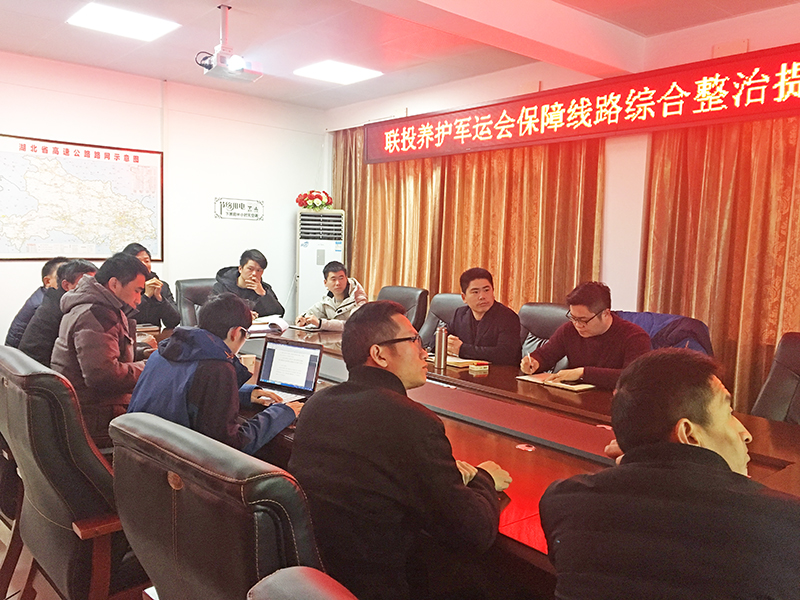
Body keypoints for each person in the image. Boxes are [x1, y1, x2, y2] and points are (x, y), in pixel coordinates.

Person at [289, 301, 511, 600]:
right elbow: (474, 533)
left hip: (317, 580)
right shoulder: (413, 422)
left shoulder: (317, 404)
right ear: (379, 354)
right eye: (414, 340)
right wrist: (484, 478)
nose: (424, 351)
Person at [539, 349, 800, 599]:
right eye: (729, 414)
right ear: (689, 434)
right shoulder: (786, 522)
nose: (746, 433)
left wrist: (637, 464)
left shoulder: (563, 501)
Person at [127, 293, 300, 454]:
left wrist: (245, 394)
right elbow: (231, 444)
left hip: (136, 453)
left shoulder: (165, 350)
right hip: (175, 466)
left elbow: (185, 391)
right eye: (245, 334)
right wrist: (281, 414)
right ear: (235, 332)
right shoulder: (216, 368)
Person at [51, 252, 150, 448]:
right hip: (96, 416)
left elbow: (108, 353)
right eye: (137, 291)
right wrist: (148, 367)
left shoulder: (95, 306)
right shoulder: (96, 314)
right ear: (114, 284)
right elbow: (104, 375)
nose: (139, 300)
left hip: (91, 407)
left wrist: (146, 354)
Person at [520, 281, 651, 388]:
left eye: (583, 320)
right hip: (573, 399)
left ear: (605, 314)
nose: (577, 325)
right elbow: (546, 355)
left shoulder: (634, 337)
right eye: (573, 317)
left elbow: (632, 377)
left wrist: (583, 373)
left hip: (613, 403)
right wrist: (534, 362)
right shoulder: (569, 330)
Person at [18, 259, 97, 367]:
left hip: (28, 365)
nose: (93, 288)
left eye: (95, 283)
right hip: (40, 370)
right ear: (66, 285)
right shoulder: (63, 308)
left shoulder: (53, 299)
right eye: (85, 283)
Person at [446, 267, 521, 365]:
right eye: (475, 292)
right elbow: (435, 341)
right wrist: (446, 343)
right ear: (464, 297)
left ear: (493, 291)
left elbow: (505, 354)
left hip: (498, 373)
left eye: (486, 290)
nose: (482, 296)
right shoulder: (460, 314)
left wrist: (462, 349)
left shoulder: (508, 317)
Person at [5, 256, 68, 348]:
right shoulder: (45, 305)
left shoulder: (45, 295)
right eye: (61, 278)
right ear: (47, 281)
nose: (67, 282)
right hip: (20, 355)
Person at [121, 242, 180, 330]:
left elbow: (174, 321)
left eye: (147, 261)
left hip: (155, 336)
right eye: (138, 261)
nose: (144, 265)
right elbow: (124, 318)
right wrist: (146, 296)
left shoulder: (160, 285)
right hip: (127, 335)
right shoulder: (122, 286)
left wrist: (160, 299)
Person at [295, 261, 367, 331]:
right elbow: (313, 311)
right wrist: (303, 318)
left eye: (341, 278)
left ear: (346, 279)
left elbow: (353, 325)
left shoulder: (358, 299)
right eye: (333, 279)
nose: (338, 283)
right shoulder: (328, 298)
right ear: (325, 282)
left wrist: (321, 323)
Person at [213, 249, 284, 317]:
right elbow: (215, 313)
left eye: (259, 270)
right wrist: (243, 316)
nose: (254, 273)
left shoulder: (264, 288)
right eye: (250, 269)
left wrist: (263, 294)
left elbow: (279, 313)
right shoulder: (222, 287)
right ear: (240, 269)